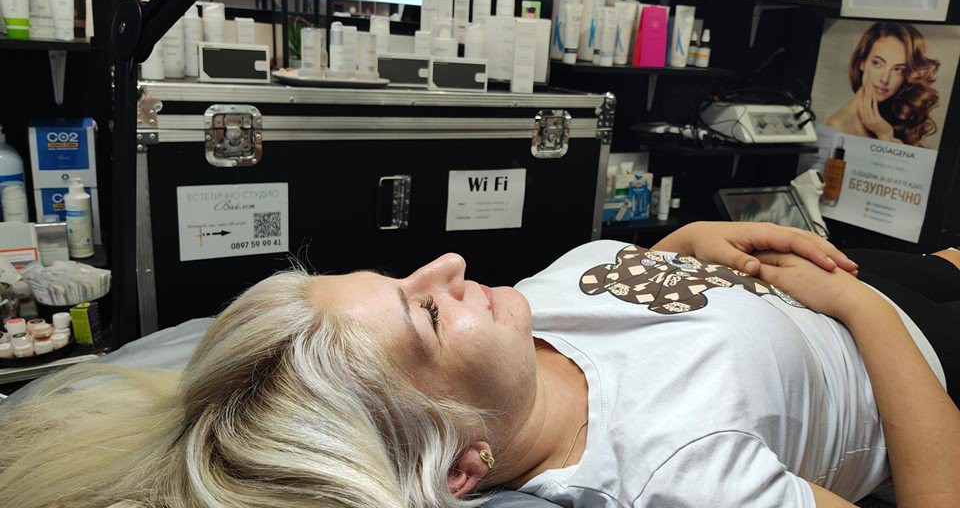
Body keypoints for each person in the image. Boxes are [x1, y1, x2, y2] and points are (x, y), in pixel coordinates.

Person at [1, 222, 958, 508]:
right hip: (914, 358)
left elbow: (638, 317)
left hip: (826, 287)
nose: (449, 267)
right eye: (425, 312)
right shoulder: (678, 470)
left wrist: (682, 245)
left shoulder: (512, 329)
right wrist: (859, 310)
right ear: (464, 464)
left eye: (400, 278)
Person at [826, 22, 941, 147]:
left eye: (897, 69)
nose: (885, 79)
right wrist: (886, 135)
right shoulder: (838, 126)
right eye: (877, 63)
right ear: (862, 62)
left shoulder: (898, 111)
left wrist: (885, 134)